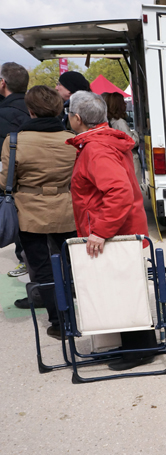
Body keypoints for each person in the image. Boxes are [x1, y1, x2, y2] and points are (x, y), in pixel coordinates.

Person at [66, 91, 156, 371]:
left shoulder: (96, 148)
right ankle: (137, 346)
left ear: (77, 118)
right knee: (125, 287)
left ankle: (140, 349)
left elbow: (118, 191)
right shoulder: (102, 143)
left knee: (122, 288)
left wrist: (100, 231)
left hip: (115, 230)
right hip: (122, 227)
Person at [0, 86, 77, 337]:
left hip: (29, 210)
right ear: (57, 109)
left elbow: (4, 182)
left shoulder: (14, 141)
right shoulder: (71, 140)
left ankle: (59, 322)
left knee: (42, 267)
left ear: (30, 111)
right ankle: (78, 315)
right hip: (66, 207)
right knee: (70, 263)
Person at [0, 62, 32, 278]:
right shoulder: (37, 109)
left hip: (10, 182)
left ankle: (27, 262)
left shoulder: (3, 113)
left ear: (3, 83)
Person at [102, 92, 143, 190]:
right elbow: (131, 142)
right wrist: (137, 134)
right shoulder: (120, 122)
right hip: (131, 158)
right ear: (118, 105)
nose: (125, 104)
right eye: (123, 102)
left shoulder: (111, 122)